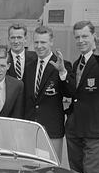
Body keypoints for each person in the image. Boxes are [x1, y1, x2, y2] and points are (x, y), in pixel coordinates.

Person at [53, 20, 99, 173]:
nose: (81, 41)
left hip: (96, 131)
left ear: (94, 36)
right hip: (75, 130)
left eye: (85, 36)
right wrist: (63, 73)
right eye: (77, 37)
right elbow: (73, 93)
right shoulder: (78, 63)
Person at [24, 25, 72, 162]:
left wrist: (63, 72)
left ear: (51, 42)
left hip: (52, 130)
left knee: (51, 170)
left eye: (43, 42)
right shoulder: (29, 67)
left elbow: (69, 92)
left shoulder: (63, 65)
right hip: (30, 129)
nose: (39, 46)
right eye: (36, 42)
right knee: (30, 168)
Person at [6, 23, 37, 92]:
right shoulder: (3, 59)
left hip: (29, 101)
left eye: (19, 37)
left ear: (25, 39)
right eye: (13, 38)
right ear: (8, 39)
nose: (16, 41)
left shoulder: (36, 58)